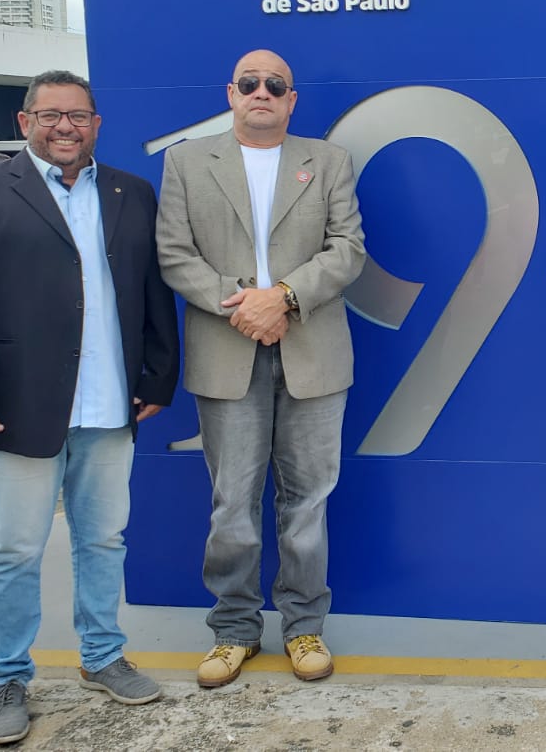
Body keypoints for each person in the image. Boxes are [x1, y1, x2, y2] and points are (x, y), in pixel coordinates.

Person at [0, 71, 180, 745]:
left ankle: (102, 655)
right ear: (25, 121)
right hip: (15, 410)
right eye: (51, 115)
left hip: (109, 405)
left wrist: (158, 377)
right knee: (13, 550)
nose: (65, 126)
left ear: (97, 123)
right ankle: (7, 675)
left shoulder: (130, 192)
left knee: (104, 540)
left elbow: (152, 290)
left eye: (79, 115)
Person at [157, 50, 366, 689]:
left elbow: (348, 249)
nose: (262, 92)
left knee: (308, 502)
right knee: (232, 504)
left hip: (313, 354)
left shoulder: (329, 162)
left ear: (291, 100)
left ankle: (304, 626)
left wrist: (287, 299)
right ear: (231, 93)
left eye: (276, 84)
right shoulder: (186, 162)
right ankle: (234, 630)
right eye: (250, 83)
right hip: (228, 351)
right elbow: (174, 254)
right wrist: (248, 305)